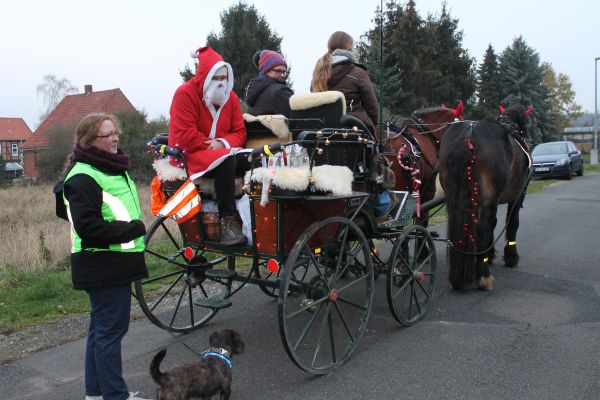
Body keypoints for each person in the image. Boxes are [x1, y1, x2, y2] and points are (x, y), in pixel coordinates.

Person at [61, 113, 150, 400]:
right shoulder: (84, 176)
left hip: (111, 264)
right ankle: (115, 395)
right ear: (90, 141)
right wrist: (133, 229)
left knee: (101, 331)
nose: (115, 138)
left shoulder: (107, 168)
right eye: (108, 134)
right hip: (102, 265)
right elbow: (88, 227)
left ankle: (96, 393)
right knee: (110, 333)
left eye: (116, 133)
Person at [168, 46, 249, 245]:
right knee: (226, 161)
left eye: (224, 78)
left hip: (222, 151)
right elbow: (184, 134)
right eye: (216, 78)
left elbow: (239, 131)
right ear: (204, 77)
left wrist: (222, 143)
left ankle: (252, 216)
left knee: (252, 158)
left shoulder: (230, 98)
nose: (221, 83)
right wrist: (210, 146)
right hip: (191, 154)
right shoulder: (185, 94)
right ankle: (227, 222)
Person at [311, 31, 379, 135]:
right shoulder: (358, 72)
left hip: (324, 131)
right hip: (354, 130)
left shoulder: (318, 74)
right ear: (349, 48)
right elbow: (372, 107)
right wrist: (372, 126)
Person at [245, 50, 294, 117]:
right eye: (278, 71)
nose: (282, 75)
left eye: (284, 72)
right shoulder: (280, 92)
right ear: (266, 70)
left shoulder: (253, 90)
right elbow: (295, 118)